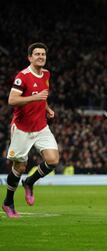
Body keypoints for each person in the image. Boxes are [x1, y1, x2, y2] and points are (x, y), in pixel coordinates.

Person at [2, 42, 59, 218]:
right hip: (22, 129)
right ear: (29, 57)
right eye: (37, 54)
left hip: (41, 126)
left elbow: (42, 96)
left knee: (53, 160)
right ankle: (8, 202)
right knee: (20, 166)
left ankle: (29, 182)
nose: (41, 57)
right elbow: (12, 100)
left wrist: (46, 107)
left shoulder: (46, 74)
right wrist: (34, 98)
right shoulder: (23, 76)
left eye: (43, 54)